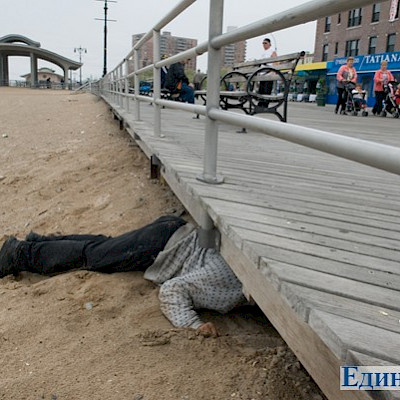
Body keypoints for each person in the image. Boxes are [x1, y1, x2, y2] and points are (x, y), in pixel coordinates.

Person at [0, 215, 246, 337]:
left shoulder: (237, 281)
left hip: (172, 232)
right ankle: (19, 253)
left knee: (105, 247)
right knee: (94, 257)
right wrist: (193, 325)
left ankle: (40, 243)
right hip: (161, 247)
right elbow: (172, 290)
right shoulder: (231, 282)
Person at [258, 38, 278, 108]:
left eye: (265, 43)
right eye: (263, 43)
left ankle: (265, 104)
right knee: (261, 89)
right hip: (262, 74)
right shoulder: (263, 52)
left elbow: (276, 62)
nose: (264, 44)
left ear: (269, 44)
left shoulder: (272, 51)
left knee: (267, 90)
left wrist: (273, 71)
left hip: (269, 73)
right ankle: (261, 103)